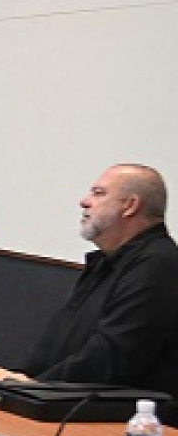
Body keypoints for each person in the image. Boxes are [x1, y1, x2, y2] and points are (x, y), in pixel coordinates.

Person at [22, 164, 178, 402]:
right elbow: (61, 343)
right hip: (60, 398)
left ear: (130, 206)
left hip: (116, 415)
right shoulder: (108, 261)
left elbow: (111, 356)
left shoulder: (159, 265)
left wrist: (33, 388)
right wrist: (19, 382)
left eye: (98, 193)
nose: (84, 202)